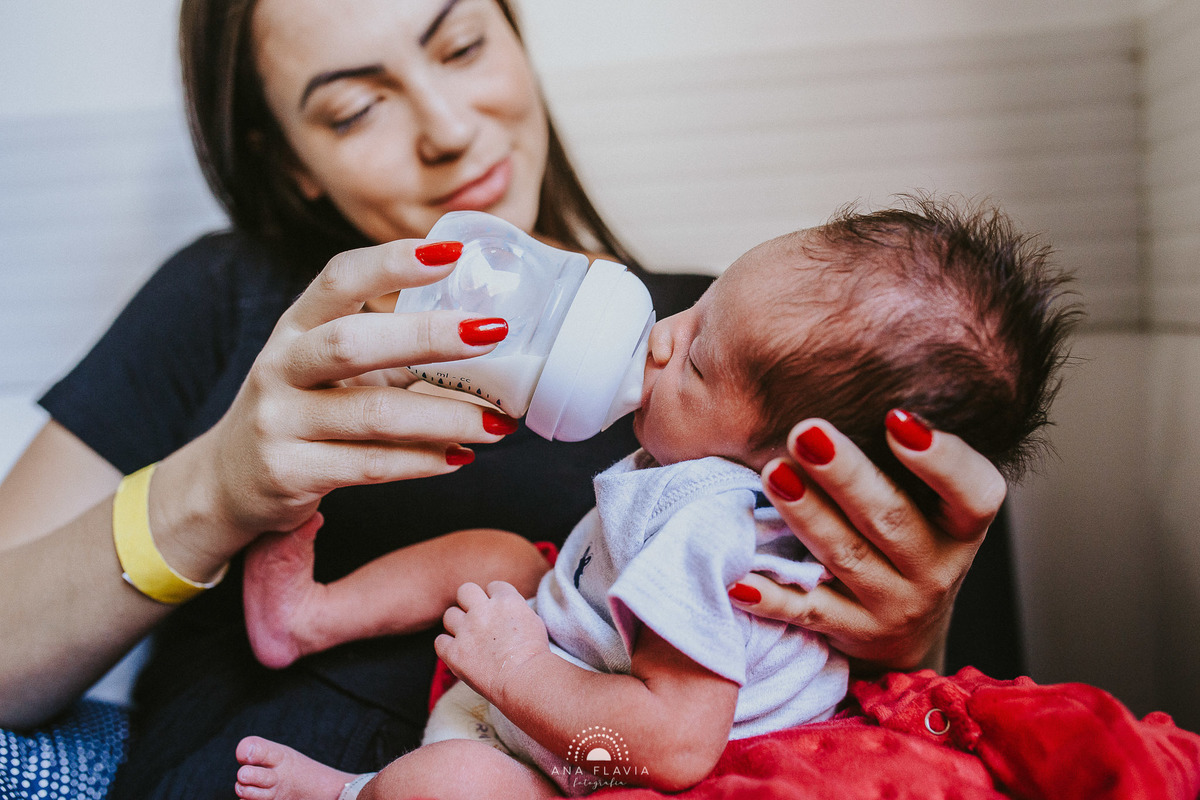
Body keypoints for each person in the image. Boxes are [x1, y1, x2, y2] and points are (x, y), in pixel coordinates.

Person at [0, 1, 1013, 798]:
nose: (448, 129)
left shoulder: (789, 366)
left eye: (462, 45)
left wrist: (903, 634)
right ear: (289, 161)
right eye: (353, 109)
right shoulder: (229, 302)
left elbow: (886, 749)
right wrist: (213, 489)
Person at [230, 197, 1075, 799]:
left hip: (599, 758)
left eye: (698, 360)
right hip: (577, 656)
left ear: (803, 467)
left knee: (454, 785)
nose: (666, 336)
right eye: (698, 310)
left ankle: (353, 790)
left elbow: (670, 746)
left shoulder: (712, 531)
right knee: (499, 557)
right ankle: (308, 617)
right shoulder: (715, 474)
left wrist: (516, 671)